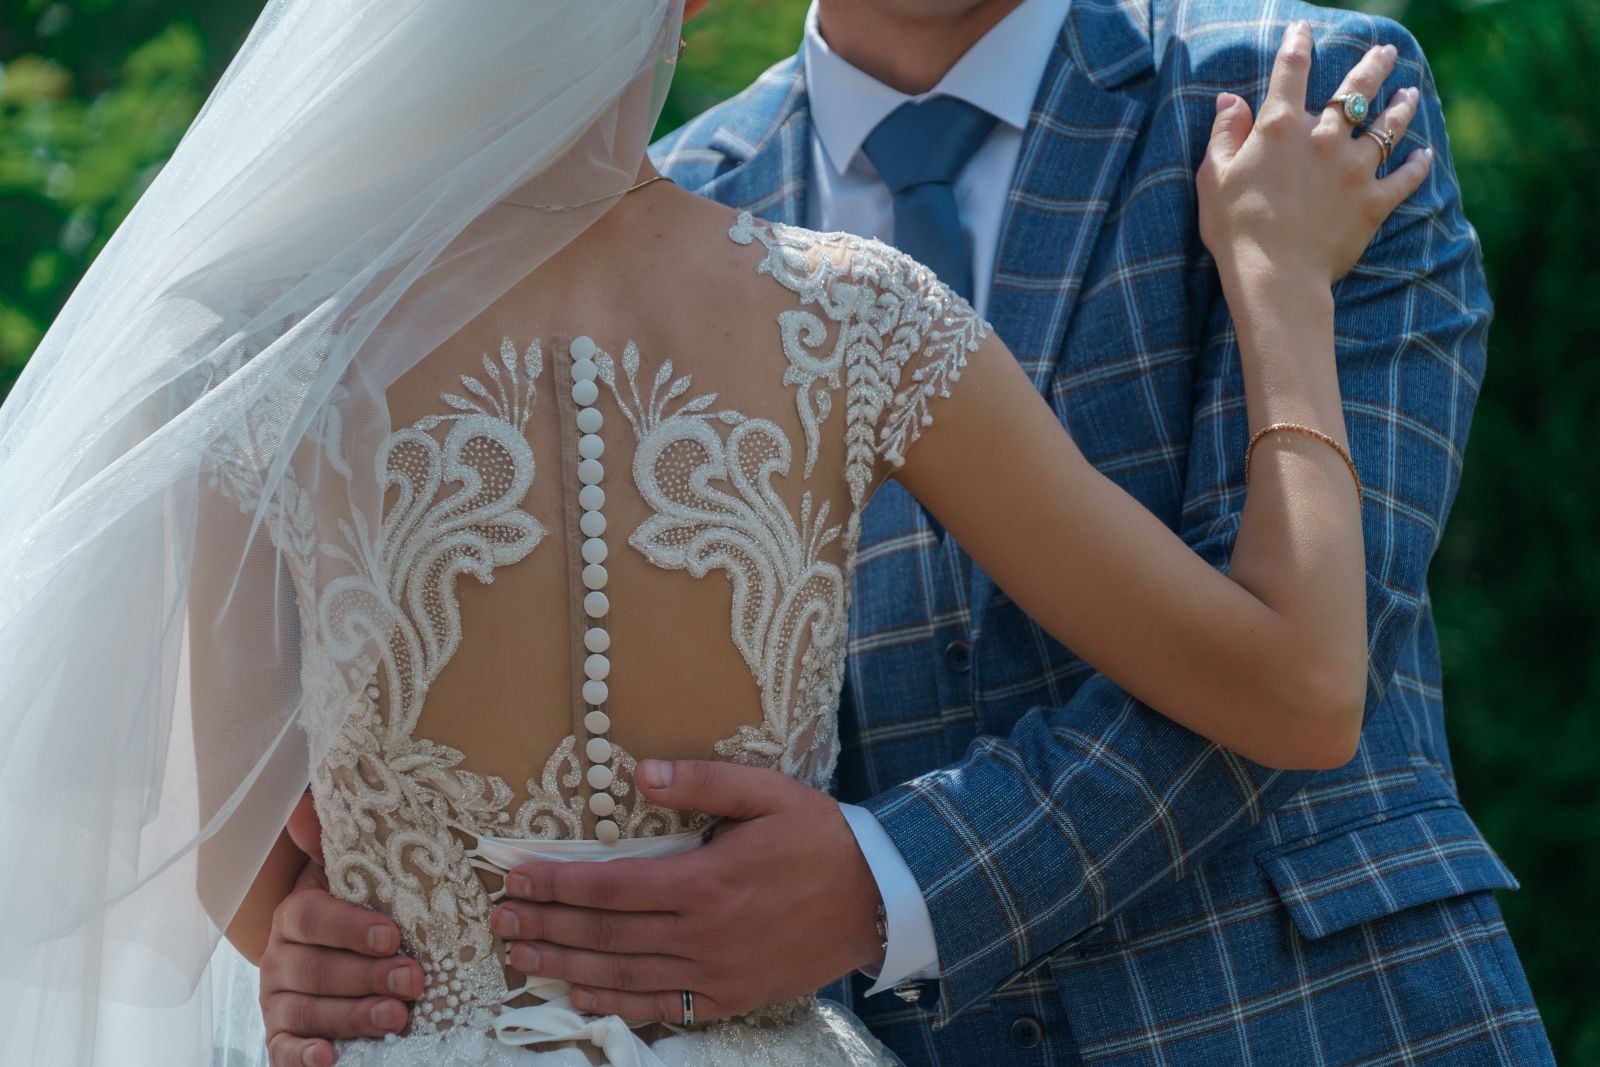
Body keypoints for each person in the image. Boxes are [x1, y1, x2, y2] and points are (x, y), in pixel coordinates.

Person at [0, 7, 1537, 1067]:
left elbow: (210, 823)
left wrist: (322, 943)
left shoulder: (255, 358)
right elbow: (1296, 678)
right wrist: (1277, 286)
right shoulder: (836, 304)